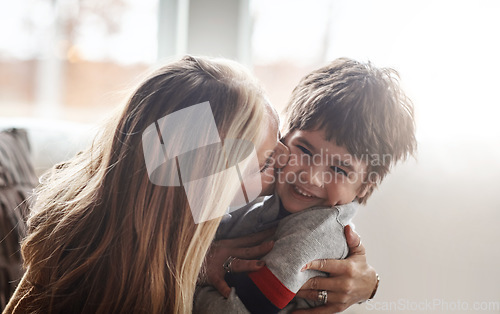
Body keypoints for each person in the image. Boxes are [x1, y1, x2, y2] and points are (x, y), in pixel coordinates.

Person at [4, 55, 284, 313]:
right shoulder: (114, 286)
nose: (287, 161)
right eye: (265, 164)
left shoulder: (94, 212)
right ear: (203, 190)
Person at [194, 57, 417, 313]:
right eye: (305, 150)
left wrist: (182, 284)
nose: (311, 177)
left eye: (338, 169)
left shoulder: (314, 234)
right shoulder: (261, 193)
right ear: (285, 136)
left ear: (365, 186)